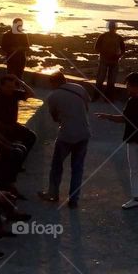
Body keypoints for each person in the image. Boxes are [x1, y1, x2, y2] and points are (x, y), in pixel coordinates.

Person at [96, 73, 138, 210]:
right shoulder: (131, 101)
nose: (127, 88)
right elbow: (125, 119)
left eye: (128, 85)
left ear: (135, 85)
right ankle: (136, 198)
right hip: (132, 140)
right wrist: (107, 116)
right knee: (134, 170)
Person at [38, 72, 91, 208]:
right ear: (65, 79)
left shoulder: (53, 96)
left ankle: (53, 193)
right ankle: (74, 200)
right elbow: (86, 106)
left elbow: (55, 117)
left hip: (66, 135)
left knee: (57, 165)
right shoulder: (79, 88)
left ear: (53, 83)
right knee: (77, 168)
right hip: (83, 133)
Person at [0, 74, 38, 157]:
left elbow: (32, 94)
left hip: (13, 125)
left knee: (32, 136)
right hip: (1, 127)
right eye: (8, 87)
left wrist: (20, 82)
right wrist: (2, 126)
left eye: (12, 86)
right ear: (2, 86)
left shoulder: (14, 93)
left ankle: (21, 159)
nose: (11, 89)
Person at [94, 20, 126, 100]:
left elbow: (123, 50)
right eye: (111, 27)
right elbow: (96, 48)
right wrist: (104, 53)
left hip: (114, 61)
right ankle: (96, 97)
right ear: (109, 27)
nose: (112, 29)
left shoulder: (119, 38)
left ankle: (108, 98)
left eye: (113, 27)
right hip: (104, 61)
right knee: (100, 79)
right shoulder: (103, 36)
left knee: (111, 81)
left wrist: (118, 56)